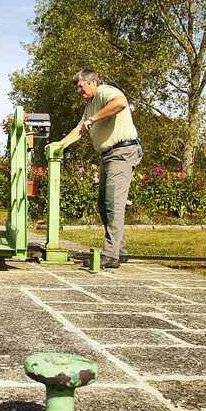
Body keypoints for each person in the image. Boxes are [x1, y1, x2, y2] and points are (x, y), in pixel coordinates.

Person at [52, 68, 142, 268]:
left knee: (113, 204)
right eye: (76, 86)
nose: (78, 90)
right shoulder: (89, 107)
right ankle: (120, 250)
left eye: (80, 85)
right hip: (109, 156)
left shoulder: (104, 91)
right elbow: (79, 130)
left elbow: (121, 103)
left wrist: (93, 119)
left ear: (92, 82)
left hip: (122, 152)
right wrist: (59, 145)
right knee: (104, 204)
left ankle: (111, 255)